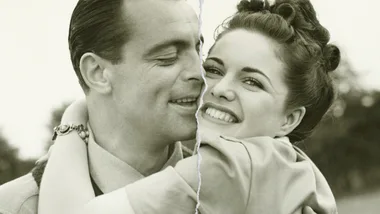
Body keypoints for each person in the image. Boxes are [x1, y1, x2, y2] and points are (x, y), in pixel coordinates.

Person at [37, 0, 340, 213]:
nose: (216, 87)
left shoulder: (226, 165)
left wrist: (73, 123)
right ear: (97, 73)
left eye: (252, 82)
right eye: (214, 69)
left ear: (290, 119)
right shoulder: (295, 168)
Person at [0, 0, 203, 213]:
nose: (200, 72)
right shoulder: (13, 207)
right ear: (97, 73)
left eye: (199, 50)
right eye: (167, 57)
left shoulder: (233, 195)